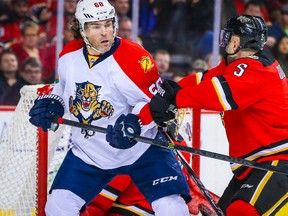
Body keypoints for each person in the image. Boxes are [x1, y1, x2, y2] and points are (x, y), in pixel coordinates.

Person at [28, 0, 191, 215]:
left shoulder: (135, 57)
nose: (105, 32)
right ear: (82, 28)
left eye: (108, 24)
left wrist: (135, 123)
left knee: (172, 208)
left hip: (141, 150)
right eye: (96, 26)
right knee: (58, 207)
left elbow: (159, 102)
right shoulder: (68, 55)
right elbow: (64, 87)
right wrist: (54, 102)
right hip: (89, 153)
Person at [149, 14, 288, 216]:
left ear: (238, 41)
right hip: (253, 166)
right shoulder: (236, 65)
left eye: (229, 36)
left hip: (279, 161)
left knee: (243, 211)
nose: (225, 41)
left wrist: (175, 99)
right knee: (226, 211)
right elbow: (203, 80)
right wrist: (166, 90)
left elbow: (216, 95)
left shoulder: (257, 69)